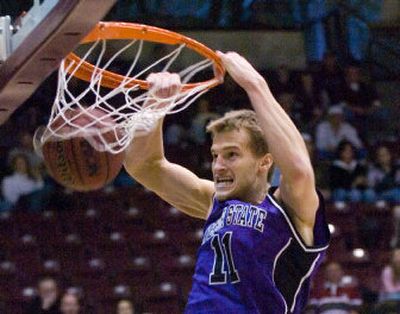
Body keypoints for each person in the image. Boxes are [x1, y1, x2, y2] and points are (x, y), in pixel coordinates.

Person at [124, 51, 330, 313]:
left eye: (232, 155)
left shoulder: (290, 210)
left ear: (265, 162)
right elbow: (145, 167)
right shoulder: (214, 202)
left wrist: (254, 84)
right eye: (215, 155)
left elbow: (299, 169)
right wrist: (154, 106)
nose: (219, 165)